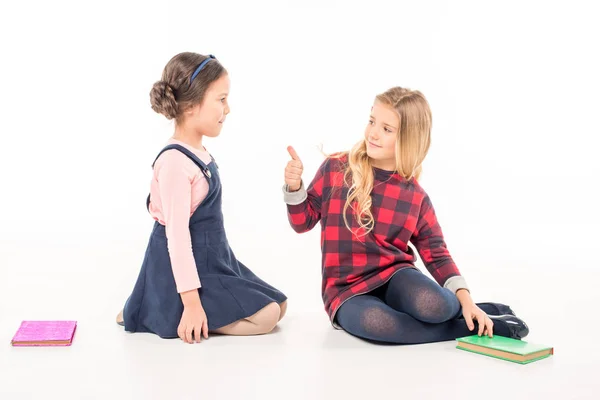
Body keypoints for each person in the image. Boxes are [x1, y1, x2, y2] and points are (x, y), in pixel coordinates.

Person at [282, 86, 528, 344]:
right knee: (381, 325)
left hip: (395, 277)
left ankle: (472, 311)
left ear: (408, 139)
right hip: (347, 290)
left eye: (387, 129)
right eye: (372, 121)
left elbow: (436, 252)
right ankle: (473, 327)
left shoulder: (415, 195)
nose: (374, 133)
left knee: (435, 306)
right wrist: (295, 187)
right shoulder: (336, 168)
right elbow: (302, 223)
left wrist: (466, 300)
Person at [117, 52, 287, 343]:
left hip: (214, 260)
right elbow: (178, 239)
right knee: (267, 316)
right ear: (192, 105)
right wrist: (193, 305)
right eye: (221, 99)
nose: (228, 109)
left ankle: (150, 306)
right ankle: (164, 309)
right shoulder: (174, 162)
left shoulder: (197, 154)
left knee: (279, 306)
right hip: (187, 269)